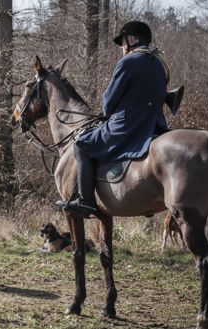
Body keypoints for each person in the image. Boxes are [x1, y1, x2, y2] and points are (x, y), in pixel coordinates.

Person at [63, 21, 168, 218]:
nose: (122, 47)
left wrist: (109, 111)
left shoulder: (128, 62)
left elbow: (109, 102)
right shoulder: (159, 64)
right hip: (155, 125)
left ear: (132, 40)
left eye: (123, 42)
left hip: (127, 125)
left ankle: (85, 202)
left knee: (81, 145)